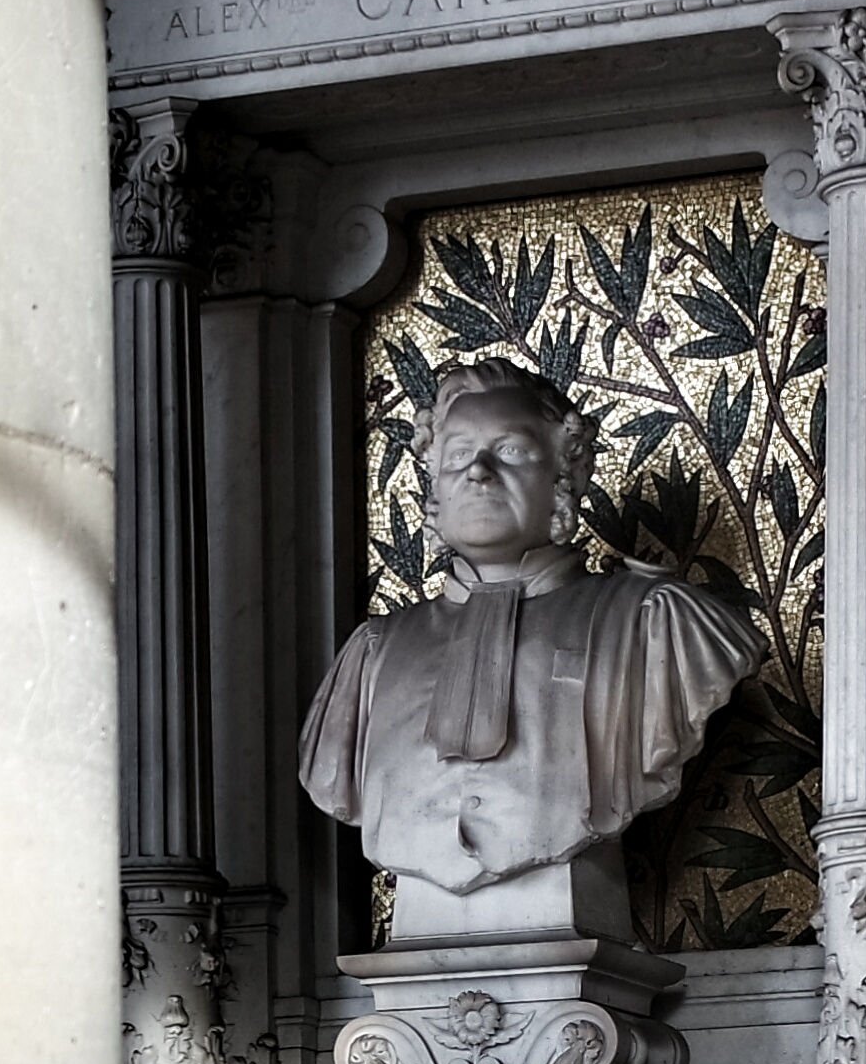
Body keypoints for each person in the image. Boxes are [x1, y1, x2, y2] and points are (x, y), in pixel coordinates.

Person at [299, 364, 759, 937]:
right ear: (434, 485)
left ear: (566, 474)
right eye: (459, 454)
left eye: (510, 451)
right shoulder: (371, 653)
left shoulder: (656, 623)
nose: (479, 473)